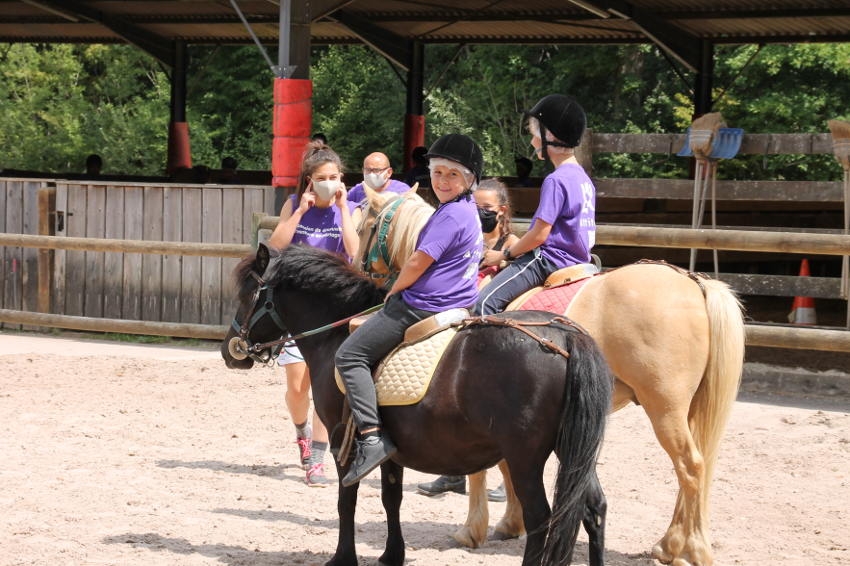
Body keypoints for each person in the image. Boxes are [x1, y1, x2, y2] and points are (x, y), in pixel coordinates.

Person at [334, 134, 484, 487]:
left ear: (469, 180)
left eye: (452, 175)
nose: (443, 181)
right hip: (460, 301)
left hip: (423, 305)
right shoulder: (468, 210)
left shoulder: (449, 215)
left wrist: (394, 288)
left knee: (349, 355)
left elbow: (418, 260)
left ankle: (371, 437)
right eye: (438, 172)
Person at [416, 177, 519, 502]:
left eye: (485, 209)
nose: (479, 214)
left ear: (501, 211)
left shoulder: (512, 243)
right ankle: (455, 473)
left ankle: (510, 477)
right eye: (474, 207)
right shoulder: (467, 237)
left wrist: (499, 259)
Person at [267, 139, 361, 486]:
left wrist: (345, 211)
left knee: (325, 385)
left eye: (335, 176)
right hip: (298, 309)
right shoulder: (294, 204)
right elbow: (276, 246)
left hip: (333, 307)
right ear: (310, 179)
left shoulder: (347, 209)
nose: (330, 182)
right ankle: (301, 432)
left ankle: (318, 459)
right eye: (323, 177)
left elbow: (355, 252)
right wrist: (301, 212)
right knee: (297, 387)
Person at [475, 93, 596, 316]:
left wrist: (504, 255)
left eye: (535, 135)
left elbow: (540, 235)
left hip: (549, 260)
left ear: (550, 136)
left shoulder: (556, 180)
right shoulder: (582, 178)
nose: (532, 142)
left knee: (482, 303)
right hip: (580, 259)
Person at [346, 152, 411, 205]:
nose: (371, 174)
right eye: (367, 170)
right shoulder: (357, 190)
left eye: (376, 170)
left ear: (389, 172)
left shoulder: (402, 190)